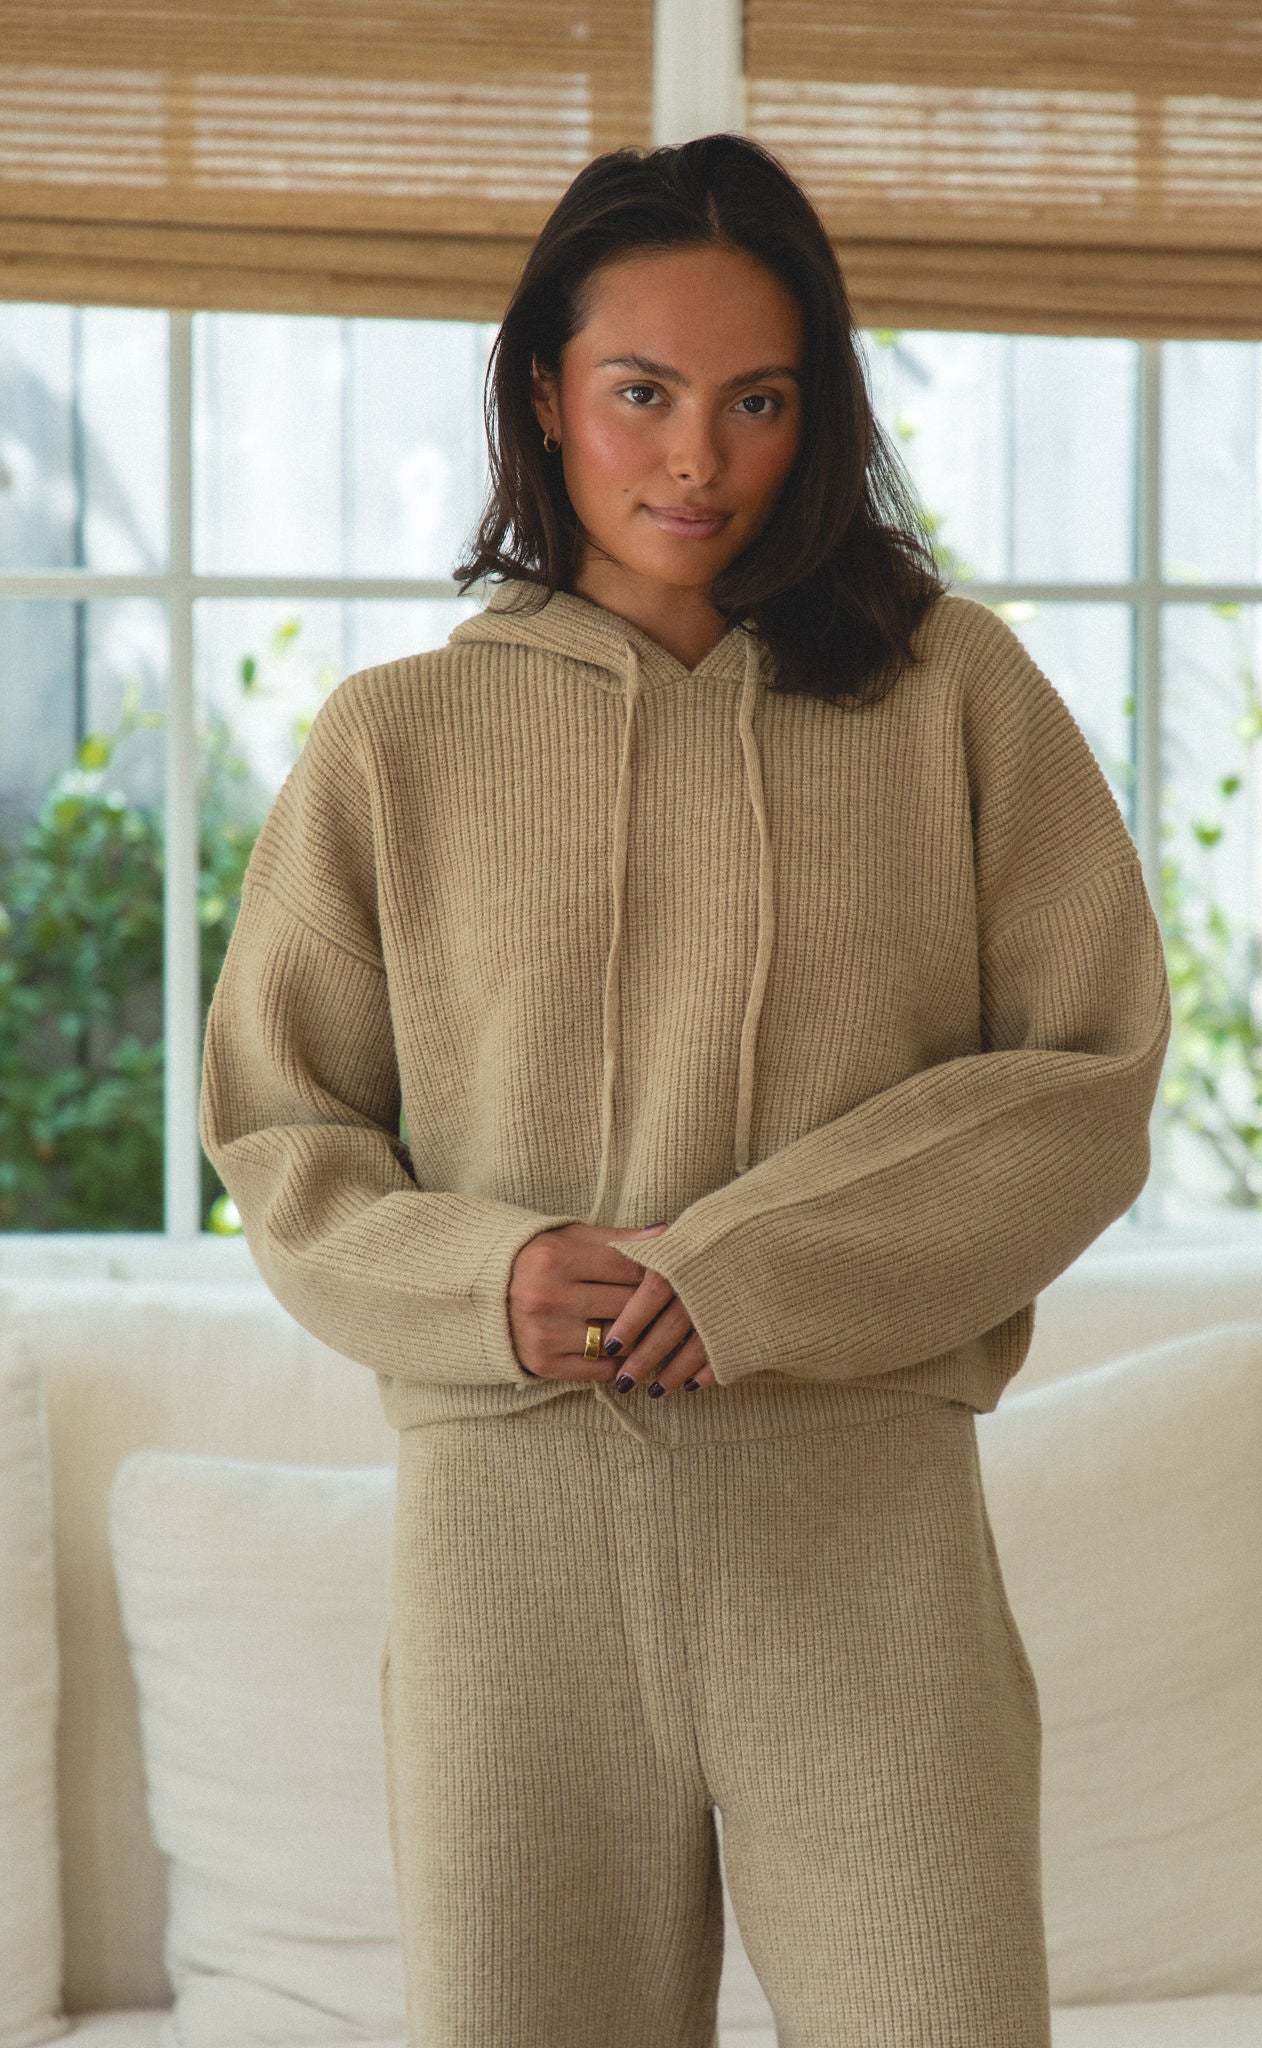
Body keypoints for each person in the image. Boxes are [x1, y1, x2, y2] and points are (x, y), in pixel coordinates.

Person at [198, 131, 1171, 2048]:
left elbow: (1087, 1078)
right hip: (510, 1544)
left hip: (860, 1519)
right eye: (640, 393)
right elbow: (282, 1133)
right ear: (541, 395)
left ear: (819, 417)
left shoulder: (955, 695)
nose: (697, 461)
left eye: (757, 401)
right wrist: (486, 1278)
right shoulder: (393, 741)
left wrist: (747, 1267)